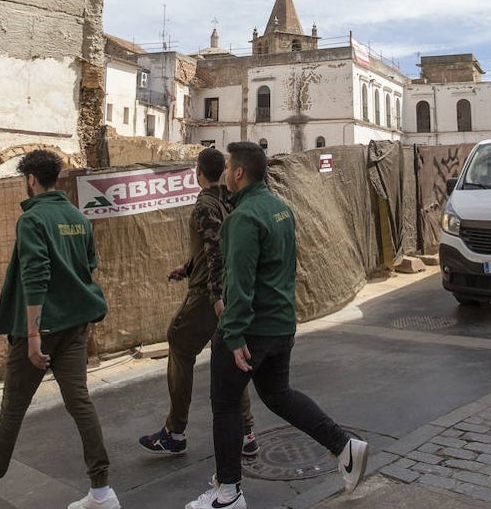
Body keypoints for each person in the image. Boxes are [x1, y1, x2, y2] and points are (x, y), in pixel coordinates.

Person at [186, 142, 368, 509]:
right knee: (278, 394)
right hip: (280, 324)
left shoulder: (243, 218)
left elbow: (240, 282)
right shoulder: (280, 209)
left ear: (238, 173)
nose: (224, 174)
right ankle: (344, 446)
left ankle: (229, 492)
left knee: (224, 405)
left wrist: (233, 334)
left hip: (250, 328)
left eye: (228, 168)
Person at [0, 149, 120, 509]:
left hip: (40, 330)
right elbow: (89, 264)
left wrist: (34, 335)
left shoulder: (32, 221)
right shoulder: (77, 217)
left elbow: (35, 276)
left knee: (13, 410)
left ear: (30, 179)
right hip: (75, 325)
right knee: (79, 401)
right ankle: (101, 491)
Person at [139, 148, 258, 457]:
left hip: (209, 296)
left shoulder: (205, 204)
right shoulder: (229, 200)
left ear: (199, 173)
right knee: (234, 358)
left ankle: (174, 432)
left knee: (178, 343)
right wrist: (189, 267)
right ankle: (247, 434)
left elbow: (217, 249)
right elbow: (217, 246)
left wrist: (214, 295)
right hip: (227, 291)